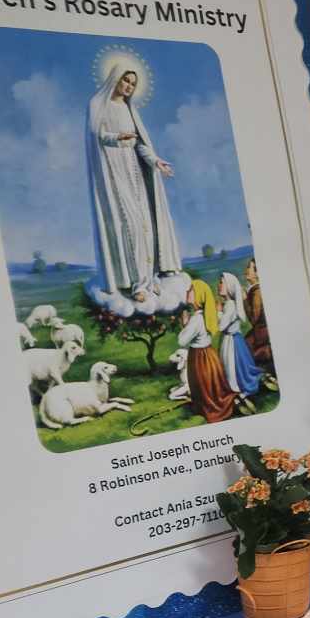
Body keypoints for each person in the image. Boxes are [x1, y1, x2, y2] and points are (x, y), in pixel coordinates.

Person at [86, 53, 184, 312]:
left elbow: (140, 144)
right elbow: (97, 136)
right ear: (115, 78)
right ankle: (137, 285)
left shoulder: (131, 110)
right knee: (131, 226)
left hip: (135, 172)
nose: (129, 86)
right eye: (126, 80)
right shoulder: (98, 104)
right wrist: (118, 137)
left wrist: (156, 161)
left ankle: (150, 279)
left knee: (146, 226)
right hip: (114, 173)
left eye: (133, 84)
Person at [177, 278, 236, 423]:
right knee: (212, 385)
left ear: (198, 295)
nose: (187, 292)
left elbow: (181, 341)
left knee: (204, 386)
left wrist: (184, 324)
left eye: (191, 290)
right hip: (210, 355)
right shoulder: (207, 313)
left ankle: (209, 407)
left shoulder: (196, 319)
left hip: (200, 358)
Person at [217, 271, 262, 413]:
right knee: (231, 368)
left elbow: (221, 326)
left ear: (229, 286)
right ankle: (234, 389)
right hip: (229, 340)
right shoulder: (228, 304)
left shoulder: (230, 305)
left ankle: (237, 390)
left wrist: (218, 312)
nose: (219, 285)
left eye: (221, 282)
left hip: (233, 343)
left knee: (234, 368)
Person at [244, 257, 273, 379]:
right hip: (260, 331)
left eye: (249, 268)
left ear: (257, 273)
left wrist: (244, 300)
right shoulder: (255, 290)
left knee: (244, 349)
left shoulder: (257, 292)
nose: (246, 270)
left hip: (261, 333)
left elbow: (253, 319)